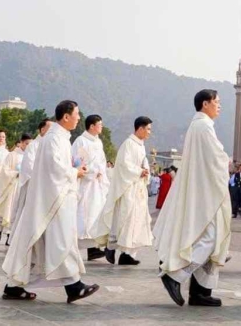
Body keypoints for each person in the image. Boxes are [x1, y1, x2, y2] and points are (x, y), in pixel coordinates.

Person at [1, 100, 100, 304]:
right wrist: (76, 171)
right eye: (77, 114)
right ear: (66, 116)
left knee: (41, 243)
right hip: (55, 200)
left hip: (56, 197)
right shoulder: (55, 138)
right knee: (61, 242)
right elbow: (56, 169)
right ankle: (74, 286)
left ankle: (13, 286)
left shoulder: (59, 137)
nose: (79, 118)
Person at [154, 89, 232, 308]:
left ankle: (200, 293)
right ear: (205, 104)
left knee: (209, 240)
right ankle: (175, 274)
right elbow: (215, 159)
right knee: (210, 238)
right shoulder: (203, 127)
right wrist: (226, 160)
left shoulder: (200, 125)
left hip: (205, 190)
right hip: (207, 194)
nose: (220, 106)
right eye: (217, 102)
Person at [101, 116, 154, 266]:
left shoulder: (141, 146)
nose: (150, 132)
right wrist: (139, 172)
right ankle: (112, 247)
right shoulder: (128, 144)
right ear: (140, 128)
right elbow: (124, 165)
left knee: (137, 222)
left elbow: (145, 164)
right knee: (126, 220)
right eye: (148, 129)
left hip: (139, 189)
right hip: (129, 189)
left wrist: (145, 172)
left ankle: (128, 254)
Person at [73, 115, 110, 261]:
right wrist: (91, 171)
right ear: (92, 126)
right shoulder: (81, 141)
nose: (101, 126)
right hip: (86, 183)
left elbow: (101, 161)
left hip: (97, 184)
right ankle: (75, 246)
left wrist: (101, 172)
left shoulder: (98, 142)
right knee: (83, 214)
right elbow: (77, 161)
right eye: (99, 124)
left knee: (96, 214)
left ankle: (94, 248)